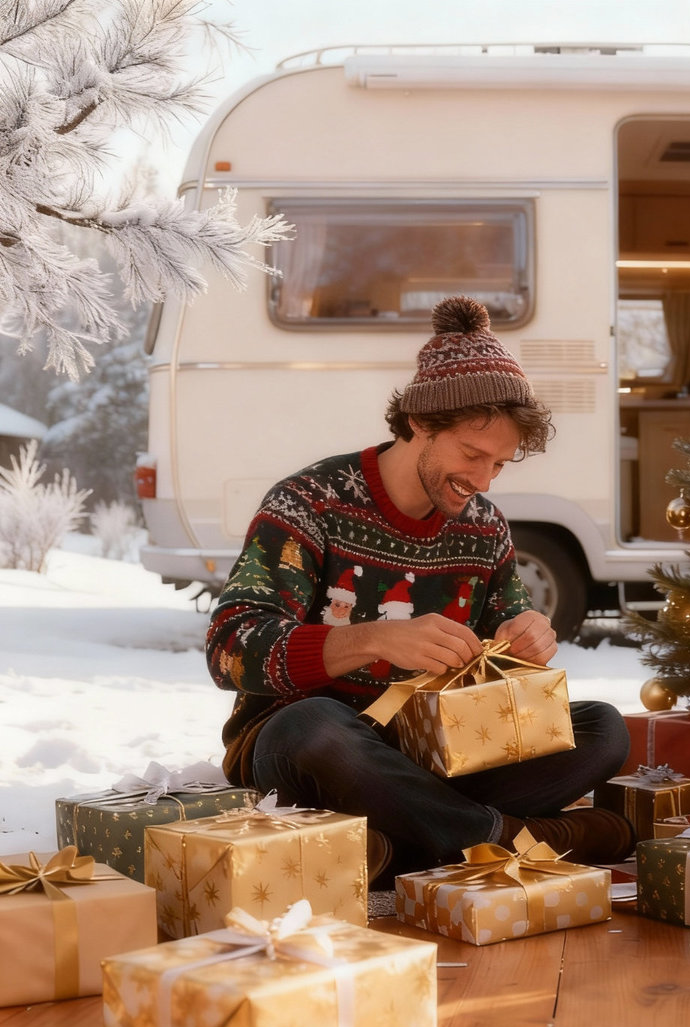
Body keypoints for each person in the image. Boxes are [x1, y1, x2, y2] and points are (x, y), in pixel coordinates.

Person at [205, 295, 634, 881]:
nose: (482, 480)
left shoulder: (484, 527)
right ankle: (508, 838)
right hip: (317, 751)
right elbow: (231, 649)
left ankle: (397, 844)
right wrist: (375, 639)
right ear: (418, 423)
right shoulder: (309, 502)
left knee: (602, 726)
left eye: (500, 464)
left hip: (439, 752)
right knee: (311, 729)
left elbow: (506, 646)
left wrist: (526, 639)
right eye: (472, 453)